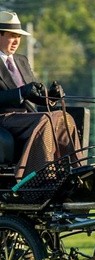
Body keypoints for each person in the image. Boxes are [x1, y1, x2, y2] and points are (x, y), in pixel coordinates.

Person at [0, 11, 83, 179]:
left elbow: (35, 96)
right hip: (5, 118)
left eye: (19, 36)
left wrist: (50, 97)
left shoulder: (22, 60)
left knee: (64, 117)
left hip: (29, 118)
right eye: (12, 36)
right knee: (46, 119)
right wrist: (20, 93)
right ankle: (41, 175)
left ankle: (75, 171)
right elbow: (22, 93)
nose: (16, 41)